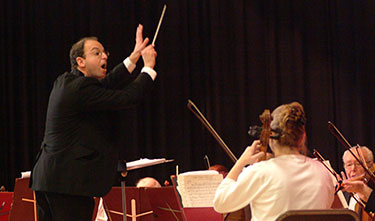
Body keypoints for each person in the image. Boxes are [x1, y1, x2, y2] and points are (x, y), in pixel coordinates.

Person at [30, 24, 157, 220]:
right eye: (96, 53)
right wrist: (148, 68)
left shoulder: (67, 82)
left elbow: (107, 83)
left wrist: (134, 56)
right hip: (67, 185)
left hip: (51, 180)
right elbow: (126, 98)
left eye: (104, 52)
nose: (104, 56)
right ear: (80, 61)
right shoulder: (80, 89)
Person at [213, 102, 335, 221]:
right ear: (302, 137)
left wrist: (240, 163)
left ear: (270, 138)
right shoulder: (323, 171)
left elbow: (220, 203)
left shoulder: (261, 171)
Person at [339, 146, 375, 218]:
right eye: (349, 165)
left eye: (358, 164)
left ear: (371, 166)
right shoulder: (342, 194)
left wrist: (363, 190)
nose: (353, 169)